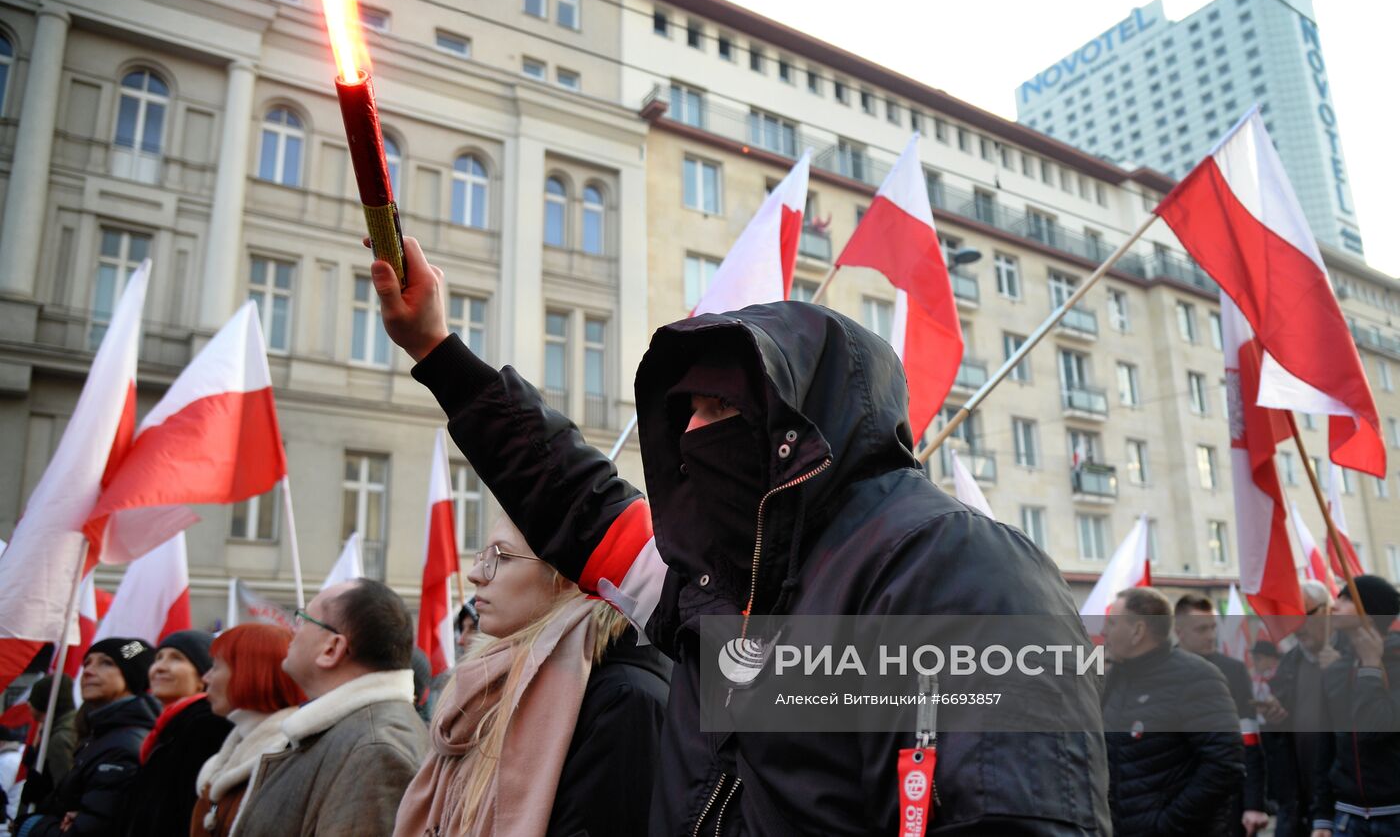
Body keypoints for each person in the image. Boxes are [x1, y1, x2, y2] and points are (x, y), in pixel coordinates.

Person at [374, 236, 1111, 832]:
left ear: (796, 428)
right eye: (686, 411)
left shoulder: (953, 566)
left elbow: (1022, 812)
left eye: (718, 410)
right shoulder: (716, 592)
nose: (691, 432)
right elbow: (572, 496)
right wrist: (437, 352)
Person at [394, 517, 670, 837]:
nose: (475, 575)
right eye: (484, 556)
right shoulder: (488, 681)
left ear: (567, 577)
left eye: (503, 556)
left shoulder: (623, 699)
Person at [233, 579, 427, 837]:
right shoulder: (359, 734)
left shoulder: (375, 749)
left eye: (302, 619)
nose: (293, 630)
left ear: (332, 648)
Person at [1102, 587, 1245, 836]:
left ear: (1138, 631)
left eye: (1112, 623)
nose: (1105, 632)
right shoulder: (1115, 678)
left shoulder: (1196, 677)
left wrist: (1169, 825)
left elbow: (1224, 764)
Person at [14, 638, 158, 837]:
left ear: (131, 676)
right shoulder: (101, 735)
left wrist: (31, 826)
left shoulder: (123, 745)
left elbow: (89, 831)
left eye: (106, 663)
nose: (88, 671)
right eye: (87, 663)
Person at [191, 624, 305, 837]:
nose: (206, 678)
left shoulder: (287, 755)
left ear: (250, 671)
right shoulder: (234, 749)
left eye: (215, 666)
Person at [1310, 575, 1400, 837]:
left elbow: (1374, 728)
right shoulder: (1336, 671)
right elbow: (1326, 746)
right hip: (1347, 818)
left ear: (1369, 614)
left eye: (1347, 598)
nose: (1335, 605)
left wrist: (1371, 664)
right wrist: (1322, 817)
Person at [117, 630, 231, 837]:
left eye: (176, 658)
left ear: (203, 676)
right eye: (158, 658)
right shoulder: (169, 727)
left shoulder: (207, 727)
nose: (159, 667)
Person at [1175, 592, 1271, 835]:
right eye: (1201, 629)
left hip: (1227, 799)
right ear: (1179, 630)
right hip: (1173, 797)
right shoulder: (1157, 672)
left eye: (1212, 627)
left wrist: (1253, 804)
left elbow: (1249, 739)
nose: (1210, 636)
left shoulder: (1233, 671)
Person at [1257, 580, 1334, 837]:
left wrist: (1342, 674)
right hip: (1300, 804)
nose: (1296, 626)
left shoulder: (1353, 655)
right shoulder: (1290, 662)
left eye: (1304, 615)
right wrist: (1274, 720)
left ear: (1327, 610)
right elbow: (1281, 737)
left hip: (1345, 804)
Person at [15, 674, 78, 813]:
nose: (28, 704)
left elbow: (65, 793)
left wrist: (42, 799)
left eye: (33, 699)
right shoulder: (54, 730)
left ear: (44, 703)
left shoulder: (60, 738)